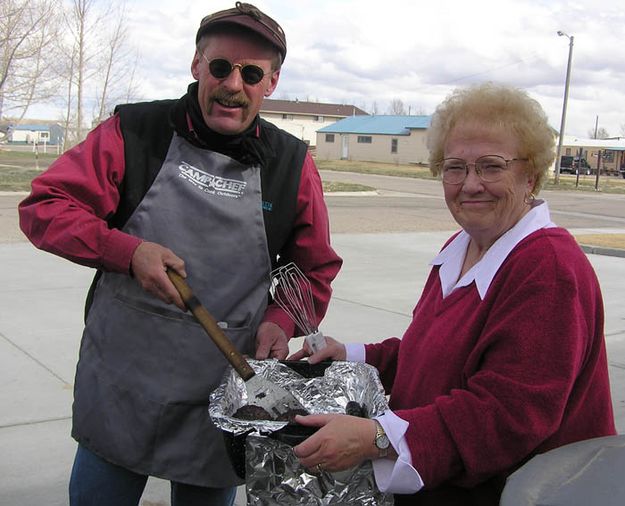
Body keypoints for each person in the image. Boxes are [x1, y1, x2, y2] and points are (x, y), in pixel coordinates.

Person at [18, 3, 342, 505]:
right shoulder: (133, 132)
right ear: (197, 66)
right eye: (220, 66)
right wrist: (125, 251)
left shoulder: (291, 164)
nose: (233, 83)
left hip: (220, 397)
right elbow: (45, 208)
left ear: (271, 83)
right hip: (122, 385)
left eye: (251, 73)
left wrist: (280, 320)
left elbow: (313, 268)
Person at [289, 82, 616, 505]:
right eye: (455, 167)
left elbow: (507, 415)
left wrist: (378, 439)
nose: (470, 184)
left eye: (492, 166)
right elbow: (431, 359)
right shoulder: (461, 248)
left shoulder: (548, 267)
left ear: (530, 174)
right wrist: (352, 355)